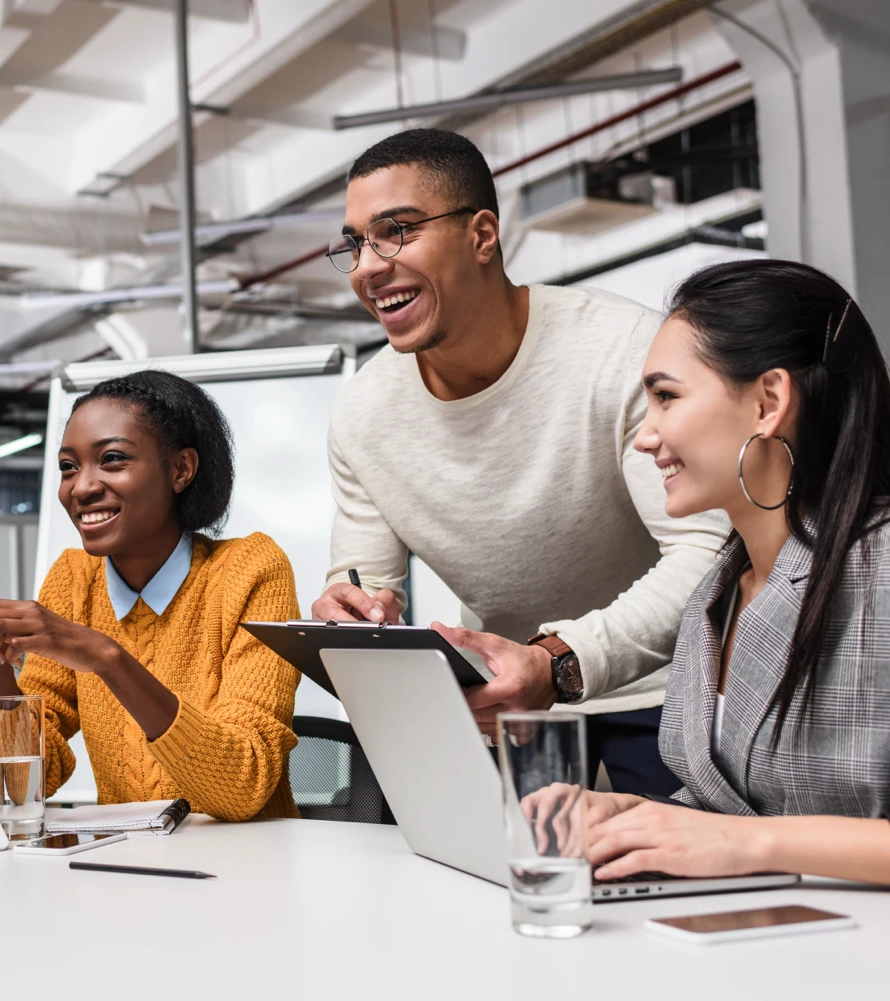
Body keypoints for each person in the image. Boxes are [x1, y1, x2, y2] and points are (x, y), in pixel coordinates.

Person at [311, 128, 728, 797]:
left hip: (668, 687)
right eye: (356, 242)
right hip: (512, 703)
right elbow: (363, 580)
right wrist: (350, 610)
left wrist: (557, 659)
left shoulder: (622, 348)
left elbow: (704, 552)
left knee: (673, 892)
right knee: (505, 890)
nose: (366, 264)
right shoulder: (362, 410)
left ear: (482, 236)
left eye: (396, 230)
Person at [569, 260, 890, 884]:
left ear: (768, 402)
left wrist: (752, 844)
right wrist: (631, 817)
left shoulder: (880, 565)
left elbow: (750, 835)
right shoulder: (717, 594)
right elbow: (734, 812)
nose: (645, 436)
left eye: (666, 397)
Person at [0, 370, 301, 821]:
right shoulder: (74, 579)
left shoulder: (252, 571)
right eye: (68, 467)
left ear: (181, 469)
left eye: (111, 459)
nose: (82, 487)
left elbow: (240, 789)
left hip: (252, 872)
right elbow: (25, 780)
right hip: (130, 866)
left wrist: (107, 657)